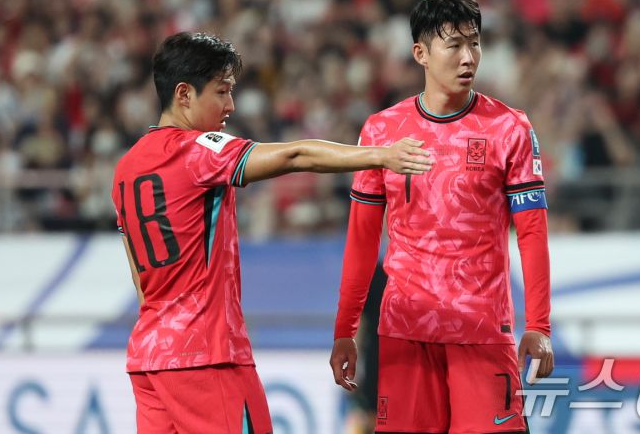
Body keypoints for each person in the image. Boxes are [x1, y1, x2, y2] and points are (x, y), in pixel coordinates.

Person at [110, 32, 433, 434]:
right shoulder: (196, 150)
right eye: (221, 91)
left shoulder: (126, 169)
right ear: (184, 94)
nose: (230, 105)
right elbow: (295, 155)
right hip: (206, 356)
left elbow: (142, 284)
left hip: (149, 359)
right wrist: (381, 155)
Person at [330, 0, 554, 434]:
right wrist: (345, 328)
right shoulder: (382, 132)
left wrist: (539, 324)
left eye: (475, 43)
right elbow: (362, 239)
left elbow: (532, 232)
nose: (468, 57)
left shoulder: (509, 128)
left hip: (482, 329)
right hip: (405, 331)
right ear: (421, 54)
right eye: (454, 45)